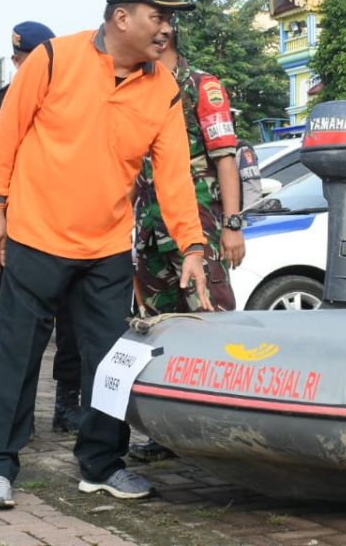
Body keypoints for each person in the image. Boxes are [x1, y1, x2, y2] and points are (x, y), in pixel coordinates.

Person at [0, 0, 211, 509]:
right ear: (121, 16)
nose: (166, 29)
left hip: (105, 248)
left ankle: (101, 464)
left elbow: (174, 177)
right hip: (35, 236)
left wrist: (193, 246)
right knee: (16, 356)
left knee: (112, 362)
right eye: (159, 16)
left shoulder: (164, 89)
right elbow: (4, 139)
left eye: (170, 19)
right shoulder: (53, 60)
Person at [128, 23, 246, 463]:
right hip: (149, 222)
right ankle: (165, 432)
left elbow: (225, 157)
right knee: (157, 326)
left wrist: (232, 224)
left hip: (198, 220)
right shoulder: (137, 86)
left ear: (167, 36)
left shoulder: (202, 87)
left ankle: (227, 427)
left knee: (209, 318)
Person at [0, 22, 85, 433]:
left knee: (73, 326)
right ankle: (17, 415)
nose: (28, 66)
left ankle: (68, 403)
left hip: (70, 229)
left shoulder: (74, 98)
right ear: (17, 60)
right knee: (21, 332)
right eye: (23, 59)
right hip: (18, 230)